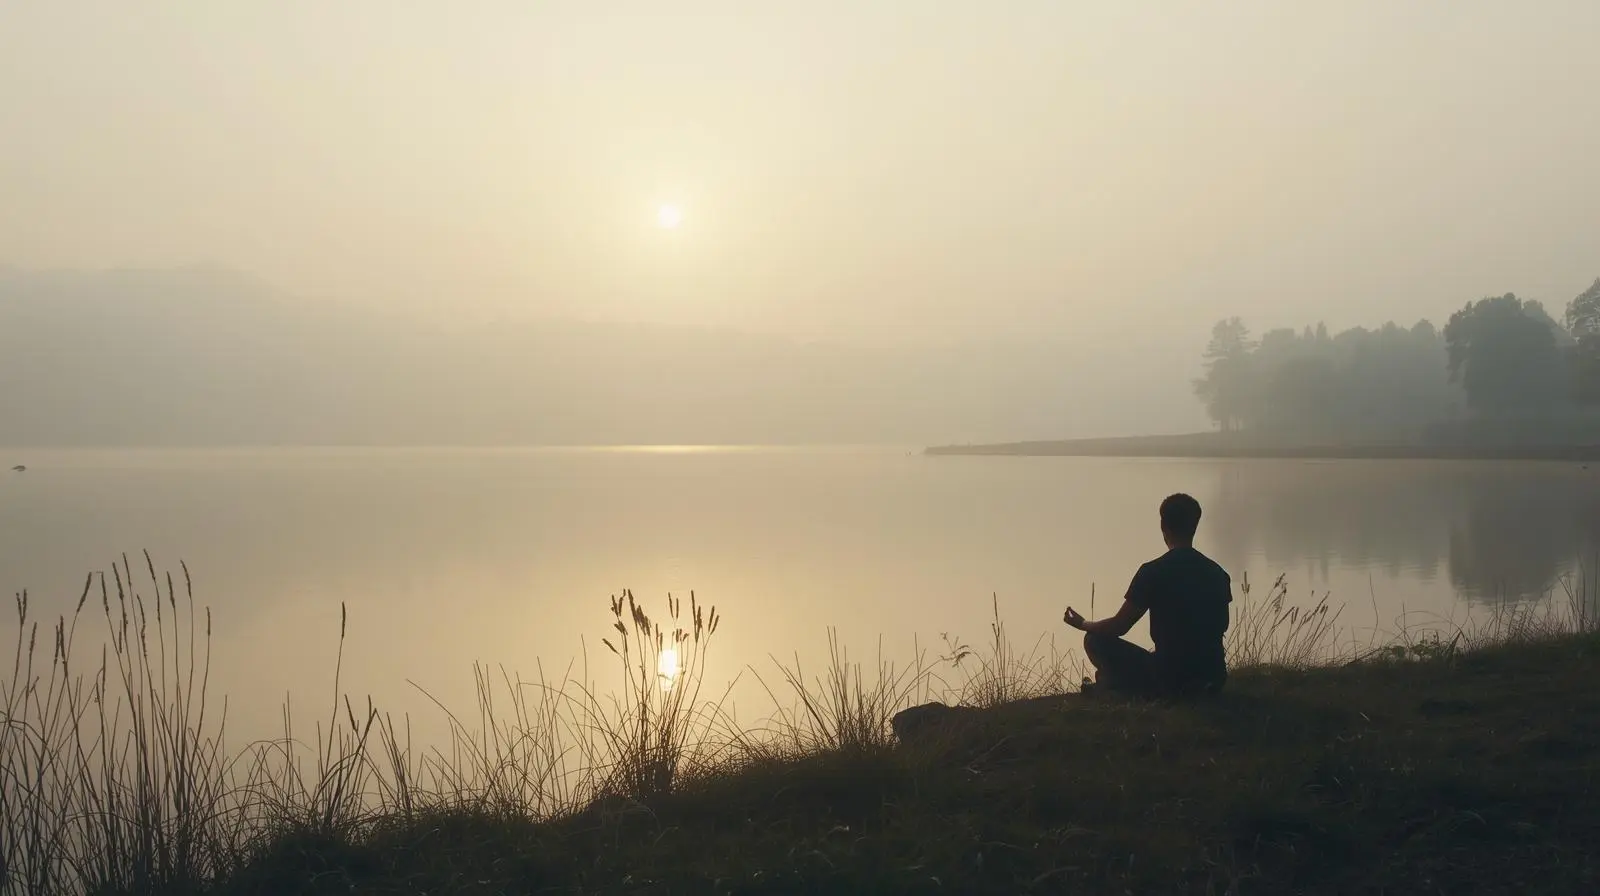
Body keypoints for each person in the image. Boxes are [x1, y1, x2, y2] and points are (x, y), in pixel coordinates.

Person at [1062, 493, 1231, 699]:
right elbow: (1222, 625)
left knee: (1094, 640)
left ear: (1163, 527)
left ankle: (1114, 685)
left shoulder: (1153, 571)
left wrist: (1083, 624)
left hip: (1169, 676)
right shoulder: (1218, 573)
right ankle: (1116, 684)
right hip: (1213, 676)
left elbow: (1119, 626)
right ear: (1194, 527)